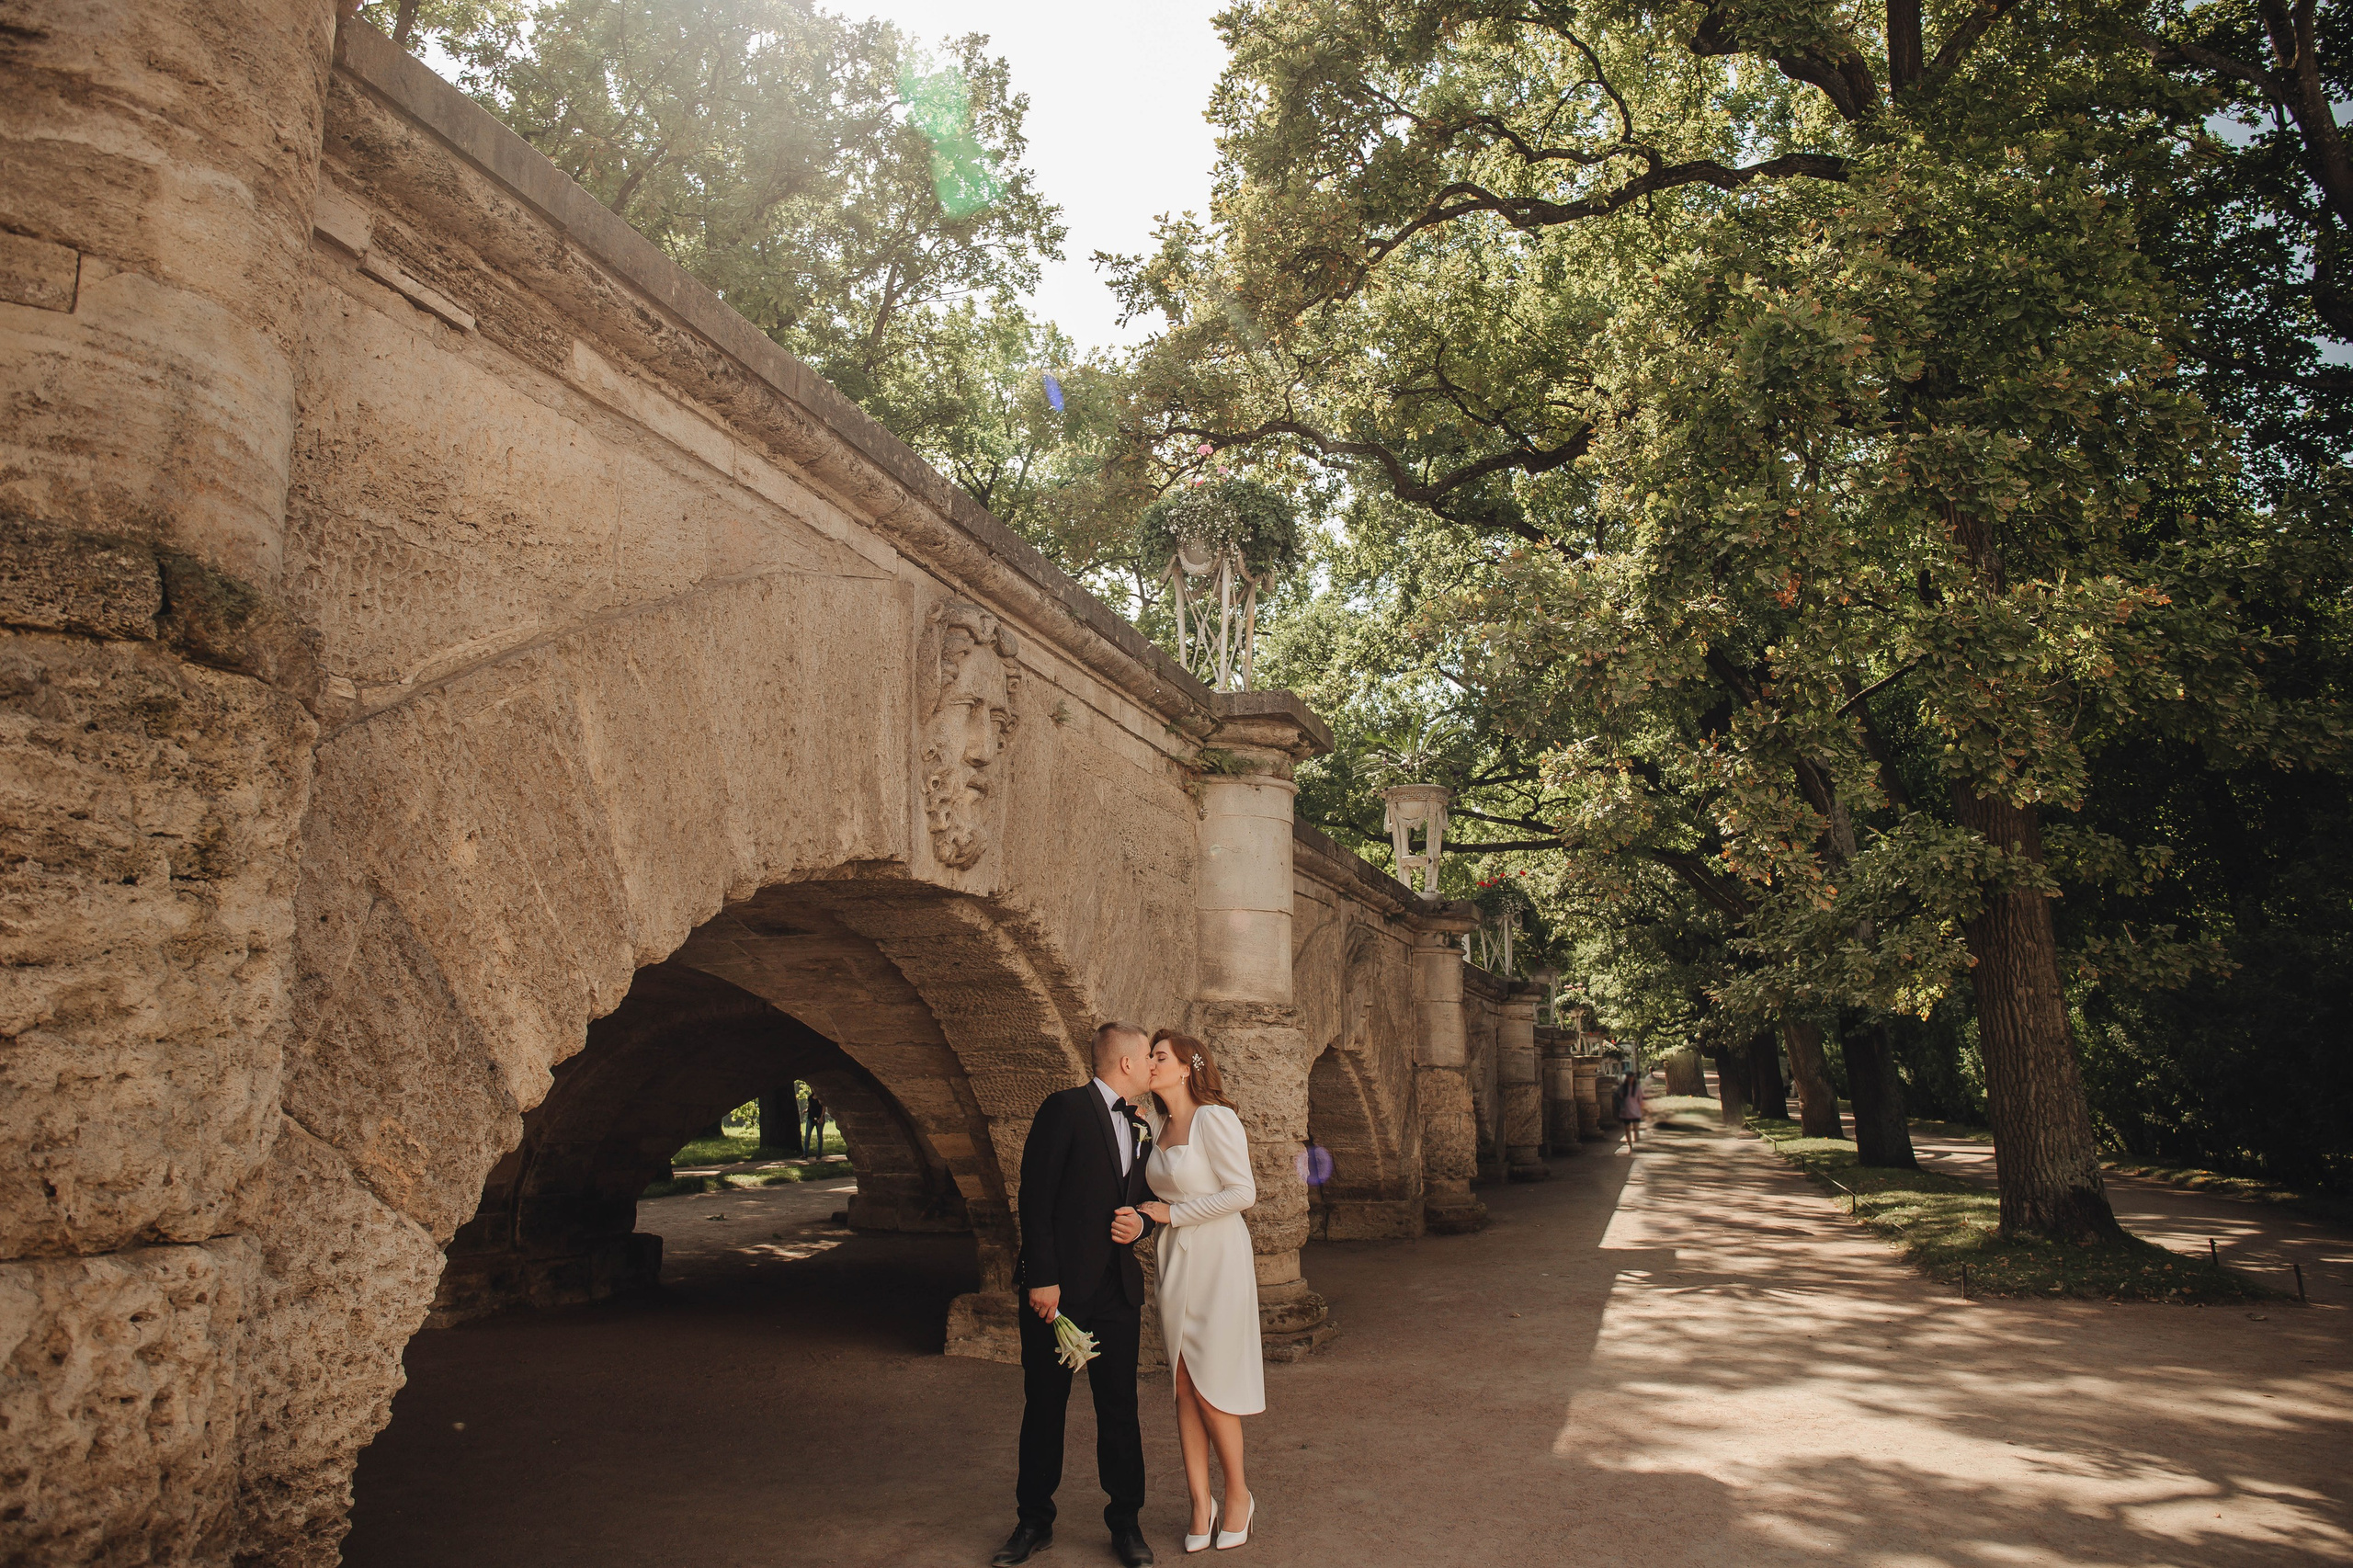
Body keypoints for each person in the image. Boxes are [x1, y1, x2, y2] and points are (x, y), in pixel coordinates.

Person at [995, 1022, 1162, 1568]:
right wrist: (1042, 1278)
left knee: (1121, 1409)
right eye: (1147, 1058)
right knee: (1045, 1407)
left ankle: (1126, 1524)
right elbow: (1035, 1196)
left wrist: (1142, 1226)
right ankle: (1033, 1521)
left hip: (1118, 1292)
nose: (1153, 1067)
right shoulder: (1062, 1109)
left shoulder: (1143, 1126)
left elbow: (1149, 1203)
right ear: (1127, 1064)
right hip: (1058, 1294)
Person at [1136, 1030, 1263, 1553]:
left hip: (1219, 1259)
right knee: (1183, 1384)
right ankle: (1198, 1501)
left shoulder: (1216, 1118)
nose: (1150, 1063)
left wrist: (1174, 1214)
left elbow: (1243, 1192)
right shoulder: (1157, 1126)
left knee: (1213, 1385)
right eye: (1148, 1056)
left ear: (1189, 1065)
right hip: (1175, 1261)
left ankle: (1238, 1495)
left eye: (1159, 1056)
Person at [1617, 1071, 1646, 1153]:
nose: (1630, 1079)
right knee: (1627, 1129)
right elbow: (1619, 1098)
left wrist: (1642, 1111)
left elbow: (1641, 1101)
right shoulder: (1623, 1087)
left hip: (1635, 1111)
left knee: (1636, 1129)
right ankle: (1630, 1146)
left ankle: (1636, 1144)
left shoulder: (1637, 1088)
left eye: (1631, 1077)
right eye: (1628, 1077)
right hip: (1626, 1112)